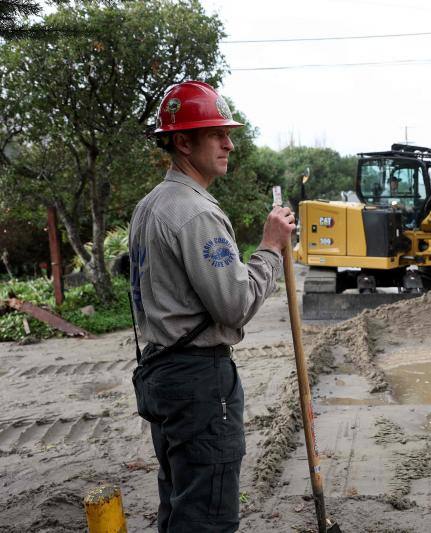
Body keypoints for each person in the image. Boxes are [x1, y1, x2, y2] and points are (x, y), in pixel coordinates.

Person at [129, 80, 295, 532]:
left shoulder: (150, 206)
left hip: (160, 373)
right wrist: (269, 247)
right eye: (216, 134)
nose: (229, 144)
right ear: (182, 142)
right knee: (208, 516)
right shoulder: (195, 212)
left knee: (180, 502)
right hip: (198, 381)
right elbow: (234, 305)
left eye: (227, 132)